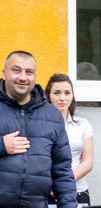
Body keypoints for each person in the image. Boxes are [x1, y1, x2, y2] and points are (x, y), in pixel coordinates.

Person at [0, 51, 78, 207]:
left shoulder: (52, 115)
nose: (23, 77)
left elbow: (63, 171)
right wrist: (0, 145)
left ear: (35, 77)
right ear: (4, 74)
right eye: (16, 70)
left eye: (29, 72)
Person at [45, 73, 94, 205]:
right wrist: (51, 185)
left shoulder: (83, 125)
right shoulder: (39, 126)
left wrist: (62, 184)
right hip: (46, 193)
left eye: (67, 93)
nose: (62, 98)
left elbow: (88, 162)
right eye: (57, 93)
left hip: (78, 192)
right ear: (48, 95)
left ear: (72, 96)